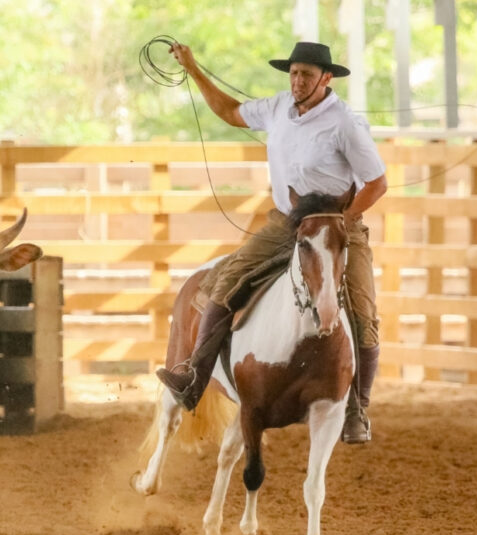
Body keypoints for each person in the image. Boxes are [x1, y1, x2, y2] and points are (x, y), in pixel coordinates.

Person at [155, 41, 386, 444]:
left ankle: (357, 410)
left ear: (326, 79)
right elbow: (230, 113)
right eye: (294, 73)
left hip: (337, 225)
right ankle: (194, 377)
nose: (298, 81)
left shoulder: (345, 124)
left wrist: (342, 223)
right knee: (225, 281)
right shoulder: (279, 107)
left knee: (363, 315)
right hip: (287, 221)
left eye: (307, 75)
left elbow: (377, 183)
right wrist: (192, 69)